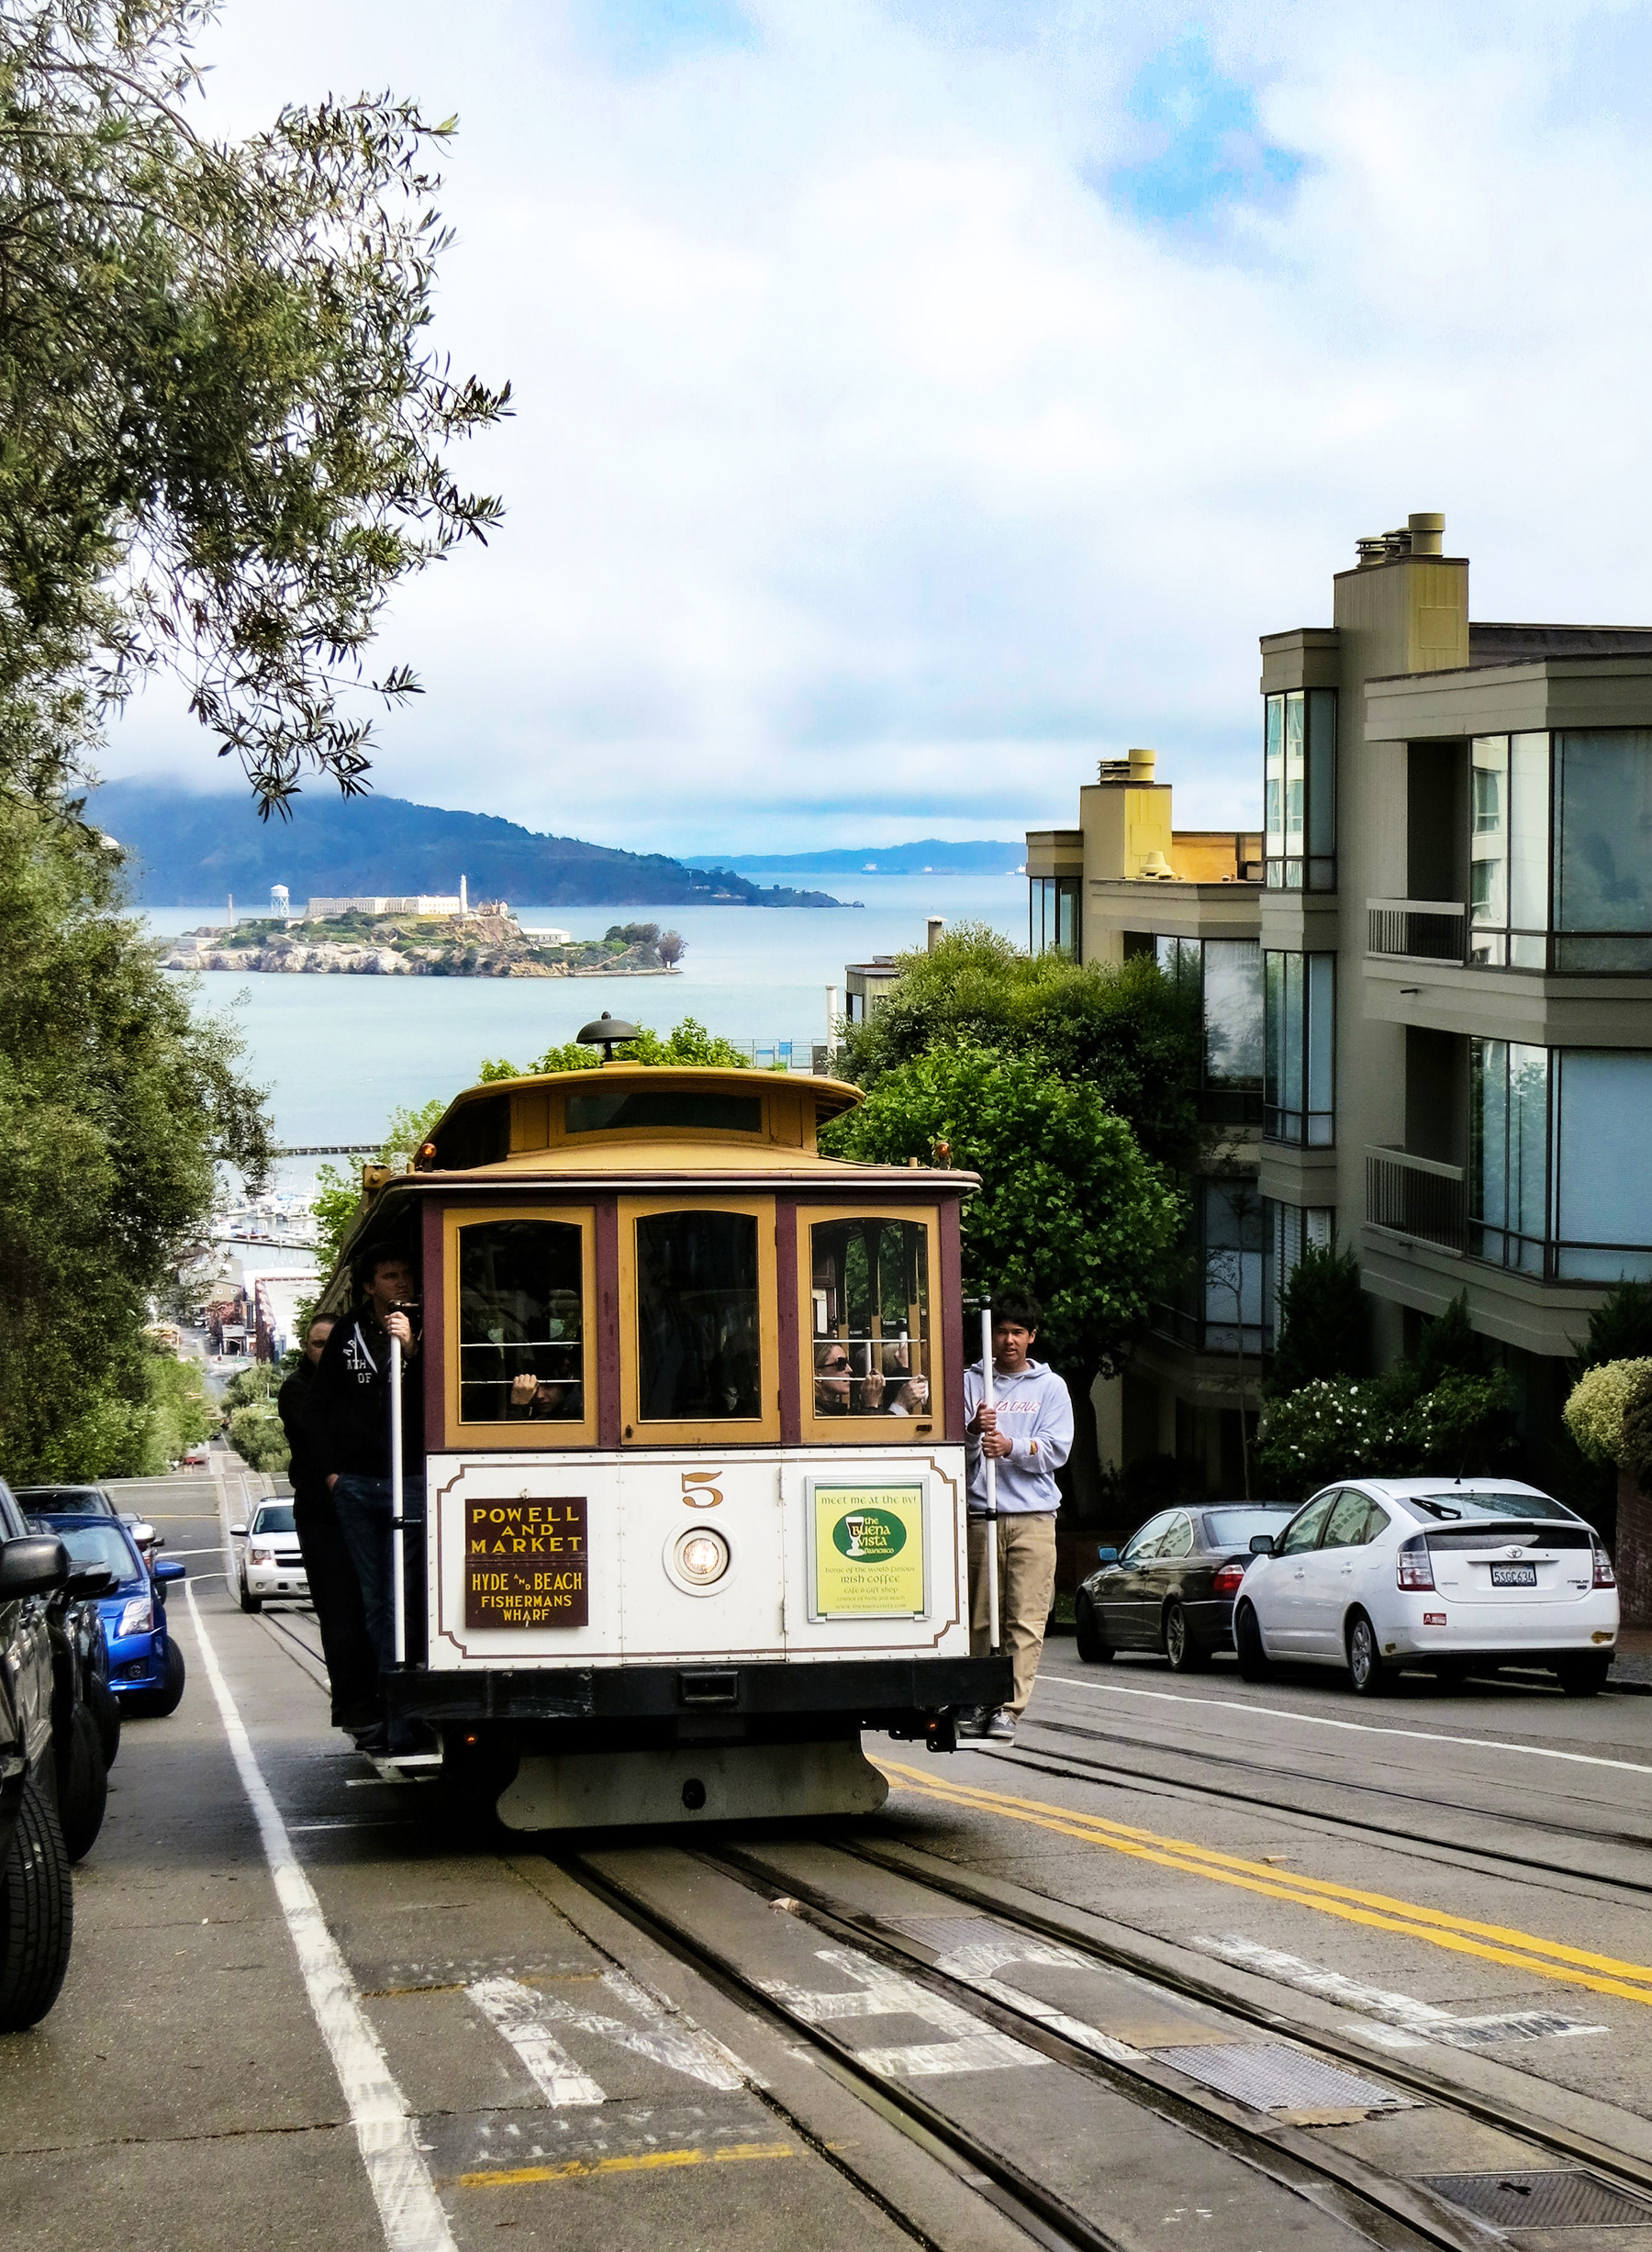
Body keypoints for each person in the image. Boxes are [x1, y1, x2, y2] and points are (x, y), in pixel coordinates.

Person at [307, 1249, 429, 1754]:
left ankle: (418, 1713)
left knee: (417, 1598)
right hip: (359, 1484)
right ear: (369, 1287)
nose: (400, 1280)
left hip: (415, 1479)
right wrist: (334, 1474)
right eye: (390, 1274)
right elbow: (320, 1406)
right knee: (377, 1603)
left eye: (404, 1271)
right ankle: (389, 1714)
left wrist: (414, 1353)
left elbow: (443, 1396)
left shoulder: (429, 1324)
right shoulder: (348, 1334)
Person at [960, 1288, 1073, 1745]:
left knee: (1024, 1618)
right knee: (979, 1617)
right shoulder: (971, 1382)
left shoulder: (1051, 1387)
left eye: (1018, 1333)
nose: (1009, 1340)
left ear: (1032, 1337)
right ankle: (974, 1697)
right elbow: (957, 1448)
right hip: (981, 1513)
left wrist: (1010, 1447)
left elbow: (1057, 1449)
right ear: (991, 1336)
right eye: (1002, 1331)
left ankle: (1007, 1708)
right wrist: (973, 1432)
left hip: (1033, 1517)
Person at [278, 1314, 380, 1740]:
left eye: (334, 1344)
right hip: (324, 1517)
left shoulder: (362, 1379)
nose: (327, 1352)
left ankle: (387, 1697)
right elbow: (324, 1433)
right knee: (340, 1613)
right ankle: (355, 1708)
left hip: (366, 1509)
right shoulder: (296, 1389)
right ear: (307, 1347)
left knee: (377, 1606)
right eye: (319, 1344)